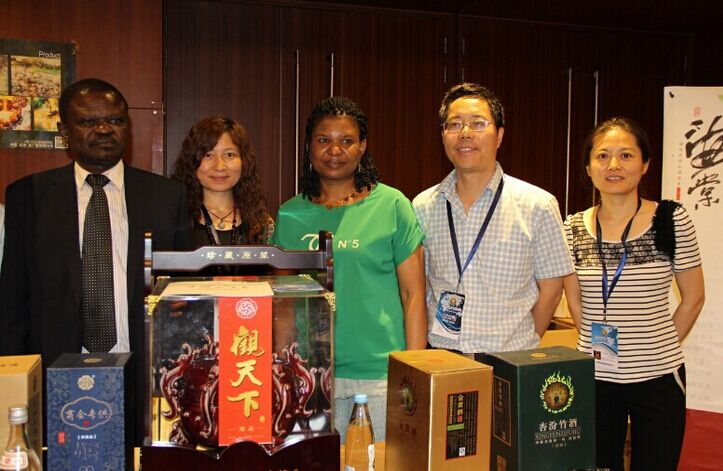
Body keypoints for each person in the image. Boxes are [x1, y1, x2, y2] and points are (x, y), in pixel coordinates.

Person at [0, 78, 191, 443]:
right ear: (64, 131)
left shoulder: (167, 196)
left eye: (115, 120)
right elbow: (12, 301)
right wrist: (15, 383)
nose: (104, 129)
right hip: (57, 374)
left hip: (143, 372)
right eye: (89, 122)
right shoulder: (29, 196)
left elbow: (183, 294)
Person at [271, 96, 426, 441]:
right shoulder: (290, 214)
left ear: (362, 147)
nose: (334, 150)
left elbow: (414, 294)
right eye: (323, 140)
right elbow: (283, 304)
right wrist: (282, 371)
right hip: (310, 375)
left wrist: (413, 374)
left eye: (346, 141)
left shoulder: (392, 205)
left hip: (380, 375)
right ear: (309, 147)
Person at [563, 117, 705, 471]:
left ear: (645, 164)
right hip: (594, 377)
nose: (614, 165)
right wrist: (593, 342)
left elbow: (693, 298)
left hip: (658, 376)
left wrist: (655, 346)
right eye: (602, 156)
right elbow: (575, 300)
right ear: (588, 168)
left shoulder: (671, 221)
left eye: (626, 155)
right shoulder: (571, 227)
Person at [413, 82, 573, 354]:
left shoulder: (537, 205)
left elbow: (552, 289)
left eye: (478, 123)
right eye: (454, 124)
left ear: (499, 136)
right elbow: (421, 287)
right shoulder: (423, 206)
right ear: (443, 136)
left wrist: (518, 343)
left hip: (510, 358)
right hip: (443, 357)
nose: (465, 133)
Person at [171, 115, 273, 265]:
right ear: (191, 161)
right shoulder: (174, 219)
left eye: (229, 155)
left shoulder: (261, 222)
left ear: (244, 161)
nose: (219, 166)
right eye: (208, 155)